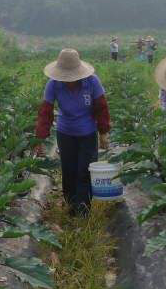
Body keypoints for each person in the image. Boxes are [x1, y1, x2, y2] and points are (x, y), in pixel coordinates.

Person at [34, 49, 111, 217]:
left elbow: (101, 107)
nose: (69, 81)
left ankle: (83, 210)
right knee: (69, 169)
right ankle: (70, 205)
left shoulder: (92, 82)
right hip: (65, 132)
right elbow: (45, 113)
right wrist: (39, 140)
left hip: (88, 133)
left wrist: (103, 132)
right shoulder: (53, 84)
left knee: (85, 170)